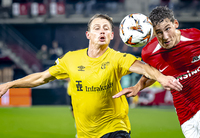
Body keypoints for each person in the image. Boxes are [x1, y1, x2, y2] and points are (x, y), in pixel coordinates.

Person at [0, 14, 182, 138]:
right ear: (88, 34)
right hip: (85, 133)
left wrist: (162, 78)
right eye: (97, 28)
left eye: (106, 29)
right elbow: (41, 78)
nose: (101, 31)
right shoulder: (70, 58)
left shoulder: (118, 58)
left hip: (115, 128)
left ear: (111, 35)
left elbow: (145, 68)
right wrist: (9, 84)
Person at [113, 6, 200, 138]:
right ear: (152, 33)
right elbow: (153, 73)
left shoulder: (195, 37)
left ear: (175, 23)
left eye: (167, 29)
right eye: (158, 32)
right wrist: (138, 87)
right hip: (185, 116)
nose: (165, 37)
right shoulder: (149, 53)